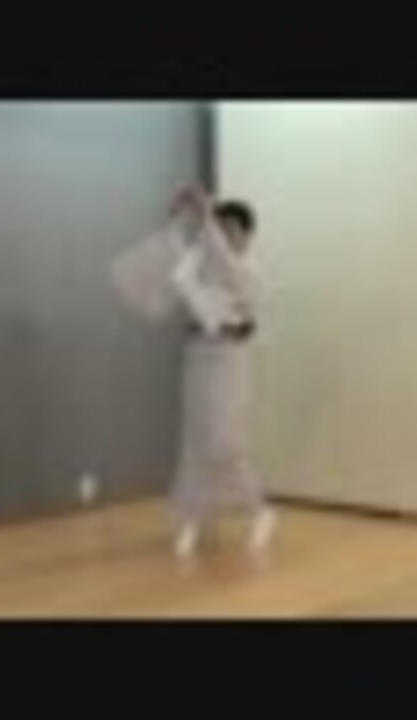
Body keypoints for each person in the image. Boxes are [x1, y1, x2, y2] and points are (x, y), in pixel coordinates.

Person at [166, 185, 277, 560]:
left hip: (230, 364)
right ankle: (192, 518)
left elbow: (230, 275)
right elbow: (181, 276)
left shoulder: (248, 272)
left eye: (232, 230)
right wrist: (180, 220)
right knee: (196, 443)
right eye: (221, 229)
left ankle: (260, 511)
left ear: (248, 234)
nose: (225, 237)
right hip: (198, 359)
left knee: (225, 443)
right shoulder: (207, 270)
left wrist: (207, 214)